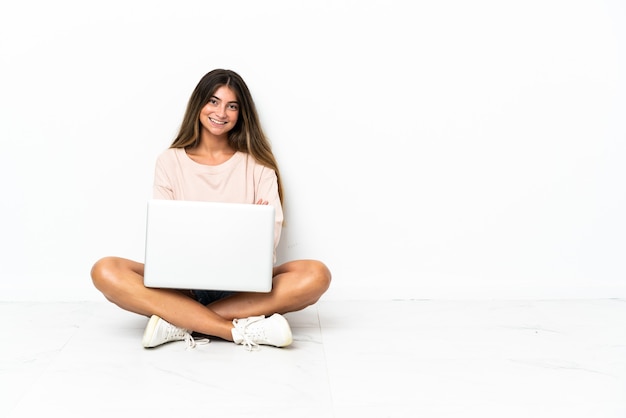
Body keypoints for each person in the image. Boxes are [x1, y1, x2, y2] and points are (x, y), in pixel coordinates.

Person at [90, 69, 331, 350]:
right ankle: (234, 330)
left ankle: (178, 321)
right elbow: (164, 234)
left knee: (317, 274)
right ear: (199, 105)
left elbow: (269, 239)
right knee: (105, 269)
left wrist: (253, 229)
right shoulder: (170, 161)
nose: (221, 112)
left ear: (242, 113)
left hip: (245, 287)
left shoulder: (258, 164)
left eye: (232, 106)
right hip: (182, 286)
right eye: (213, 101)